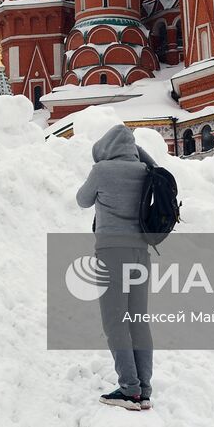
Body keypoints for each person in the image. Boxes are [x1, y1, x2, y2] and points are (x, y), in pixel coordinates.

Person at [75, 123, 156, 411]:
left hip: (112, 253)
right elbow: (158, 169)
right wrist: (138, 153)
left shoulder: (102, 170)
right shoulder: (144, 171)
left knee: (115, 321)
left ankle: (129, 389)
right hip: (141, 253)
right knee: (138, 321)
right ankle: (144, 390)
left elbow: (82, 200)